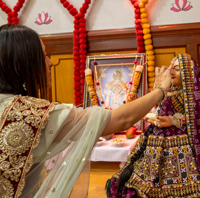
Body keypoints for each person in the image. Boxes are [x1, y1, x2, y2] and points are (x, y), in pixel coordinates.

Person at [0, 24, 172, 198]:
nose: (51, 62)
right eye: (44, 56)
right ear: (21, 64)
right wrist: (159, 89)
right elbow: (120, 119)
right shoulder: (36, 114)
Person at [106, 54, 200, 198]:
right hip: (156, 143)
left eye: (177, 69)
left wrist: (176, 121)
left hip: (183, 146)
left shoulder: (194, 95)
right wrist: (156, 118)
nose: (171, 72)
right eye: (171, 68)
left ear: (189, 73)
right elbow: (159, 111)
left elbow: (196, 117)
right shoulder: (167, 92)